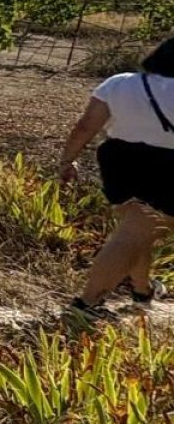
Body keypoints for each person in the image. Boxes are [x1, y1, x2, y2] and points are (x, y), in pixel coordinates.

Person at [59, 36, 174, 327]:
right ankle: (87, 303)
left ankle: (141, 291)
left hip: (119, 161)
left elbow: (85, 126)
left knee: (136, 228)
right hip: (166, 166)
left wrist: (68, 159)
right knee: (134, 234)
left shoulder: (119, 82)